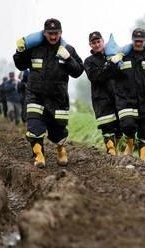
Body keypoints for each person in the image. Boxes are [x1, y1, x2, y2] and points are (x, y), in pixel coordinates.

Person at [13, 18, 84, 168]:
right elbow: (20, 65)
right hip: (35, 96)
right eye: (50, 33)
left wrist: (69, 59)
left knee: (58, 132)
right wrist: (19, 51)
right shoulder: (34, 48)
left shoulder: (68, 49)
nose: (53, 36)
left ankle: (60, 149)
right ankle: (39, 156)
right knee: (34, 127)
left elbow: (78, 71)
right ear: (44, 33)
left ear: (61, 33)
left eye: (56, 33)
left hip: (58, 98)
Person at [114, 28, 145, 160]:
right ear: (132, 40)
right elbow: (112, 75)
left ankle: (142, 162)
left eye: (141, 41)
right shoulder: (123, 56)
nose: (138, 43)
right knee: (128, 125)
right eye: (136, 41)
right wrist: (113, 62)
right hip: (126, 100)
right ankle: (130, 144)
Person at [83, 31, 122, 155]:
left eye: (98, 41)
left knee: (120, 128)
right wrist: (110, 65)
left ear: (103, 41)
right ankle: (111, 152)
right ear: (90, 45)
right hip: (101, 100)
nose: (96, 44)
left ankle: (119, 153)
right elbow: (95, 77)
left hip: (116, 97)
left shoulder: (112, 55)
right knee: (107, 127)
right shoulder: (89, 61)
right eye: (93, 43)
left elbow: (119, 74)